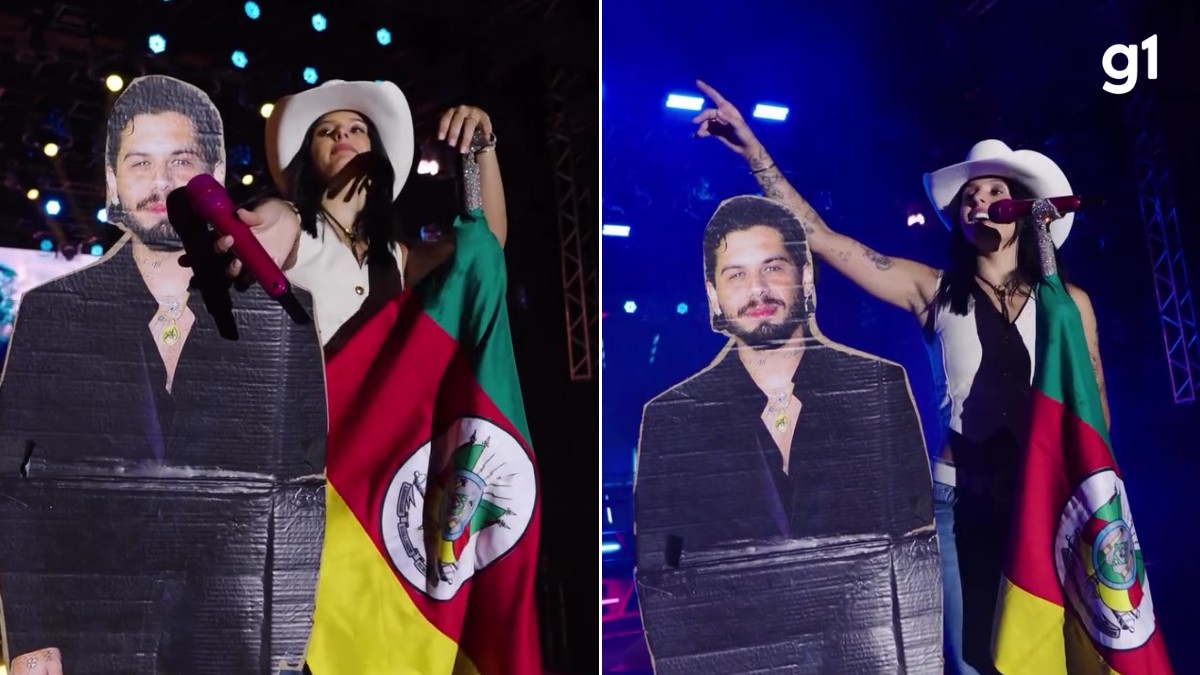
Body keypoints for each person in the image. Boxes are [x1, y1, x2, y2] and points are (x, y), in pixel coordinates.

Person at [690, 80, 1109, 674]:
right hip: (960, 497)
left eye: (995, 191)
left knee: (1054, 657)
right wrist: (755, 151)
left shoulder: (1070, 303)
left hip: (1048, 499)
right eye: (969, 196)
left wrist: (1101, 507)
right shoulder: (933, 289)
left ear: (1021, 209)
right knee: (973, 662)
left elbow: (1098, 415)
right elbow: (822, 239)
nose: (979, 201)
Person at [0, 75, 327, 674]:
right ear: (111, 181)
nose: (160, 185)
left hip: (234, 643)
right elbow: (20, 491)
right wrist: (30, 639)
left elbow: (301, 489)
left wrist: (284, 650)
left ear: (216, 172)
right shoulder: (53, 314)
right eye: (140, 162)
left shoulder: (281, 311)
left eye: (180, 161)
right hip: (94, 639)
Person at [633, 196, 935, 672]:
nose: (758, 290)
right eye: (736, 275)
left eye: (773, 268)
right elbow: (660, 578)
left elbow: (917, 547)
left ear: (806, 277)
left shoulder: (876, 386)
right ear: (713, 295)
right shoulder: (673, 416)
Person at [224, 78, 508, 348]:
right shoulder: (293, 222)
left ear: (375, 150)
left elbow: (485, 246)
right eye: (325, 131)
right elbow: (277, 220)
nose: (341, 133)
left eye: (357, 128)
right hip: (306, 397)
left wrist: (480, 146)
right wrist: (268, 234)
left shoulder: (398, 258)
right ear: (308, 157)